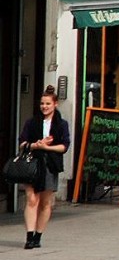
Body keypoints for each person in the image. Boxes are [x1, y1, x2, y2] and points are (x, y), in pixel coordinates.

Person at [18, 86, 70, 250]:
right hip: (33, 163)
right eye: (42, 103)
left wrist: (47, 148)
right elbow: (22, 143)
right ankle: (29, 236)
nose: (44, 107)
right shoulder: (31, 122)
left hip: (50, 164)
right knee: (32, 199)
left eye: (48, 103)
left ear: (55, 104)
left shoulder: (61, 124)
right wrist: (36, 145)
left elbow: (64, 146)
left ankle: (38, 236)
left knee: (45, 202)